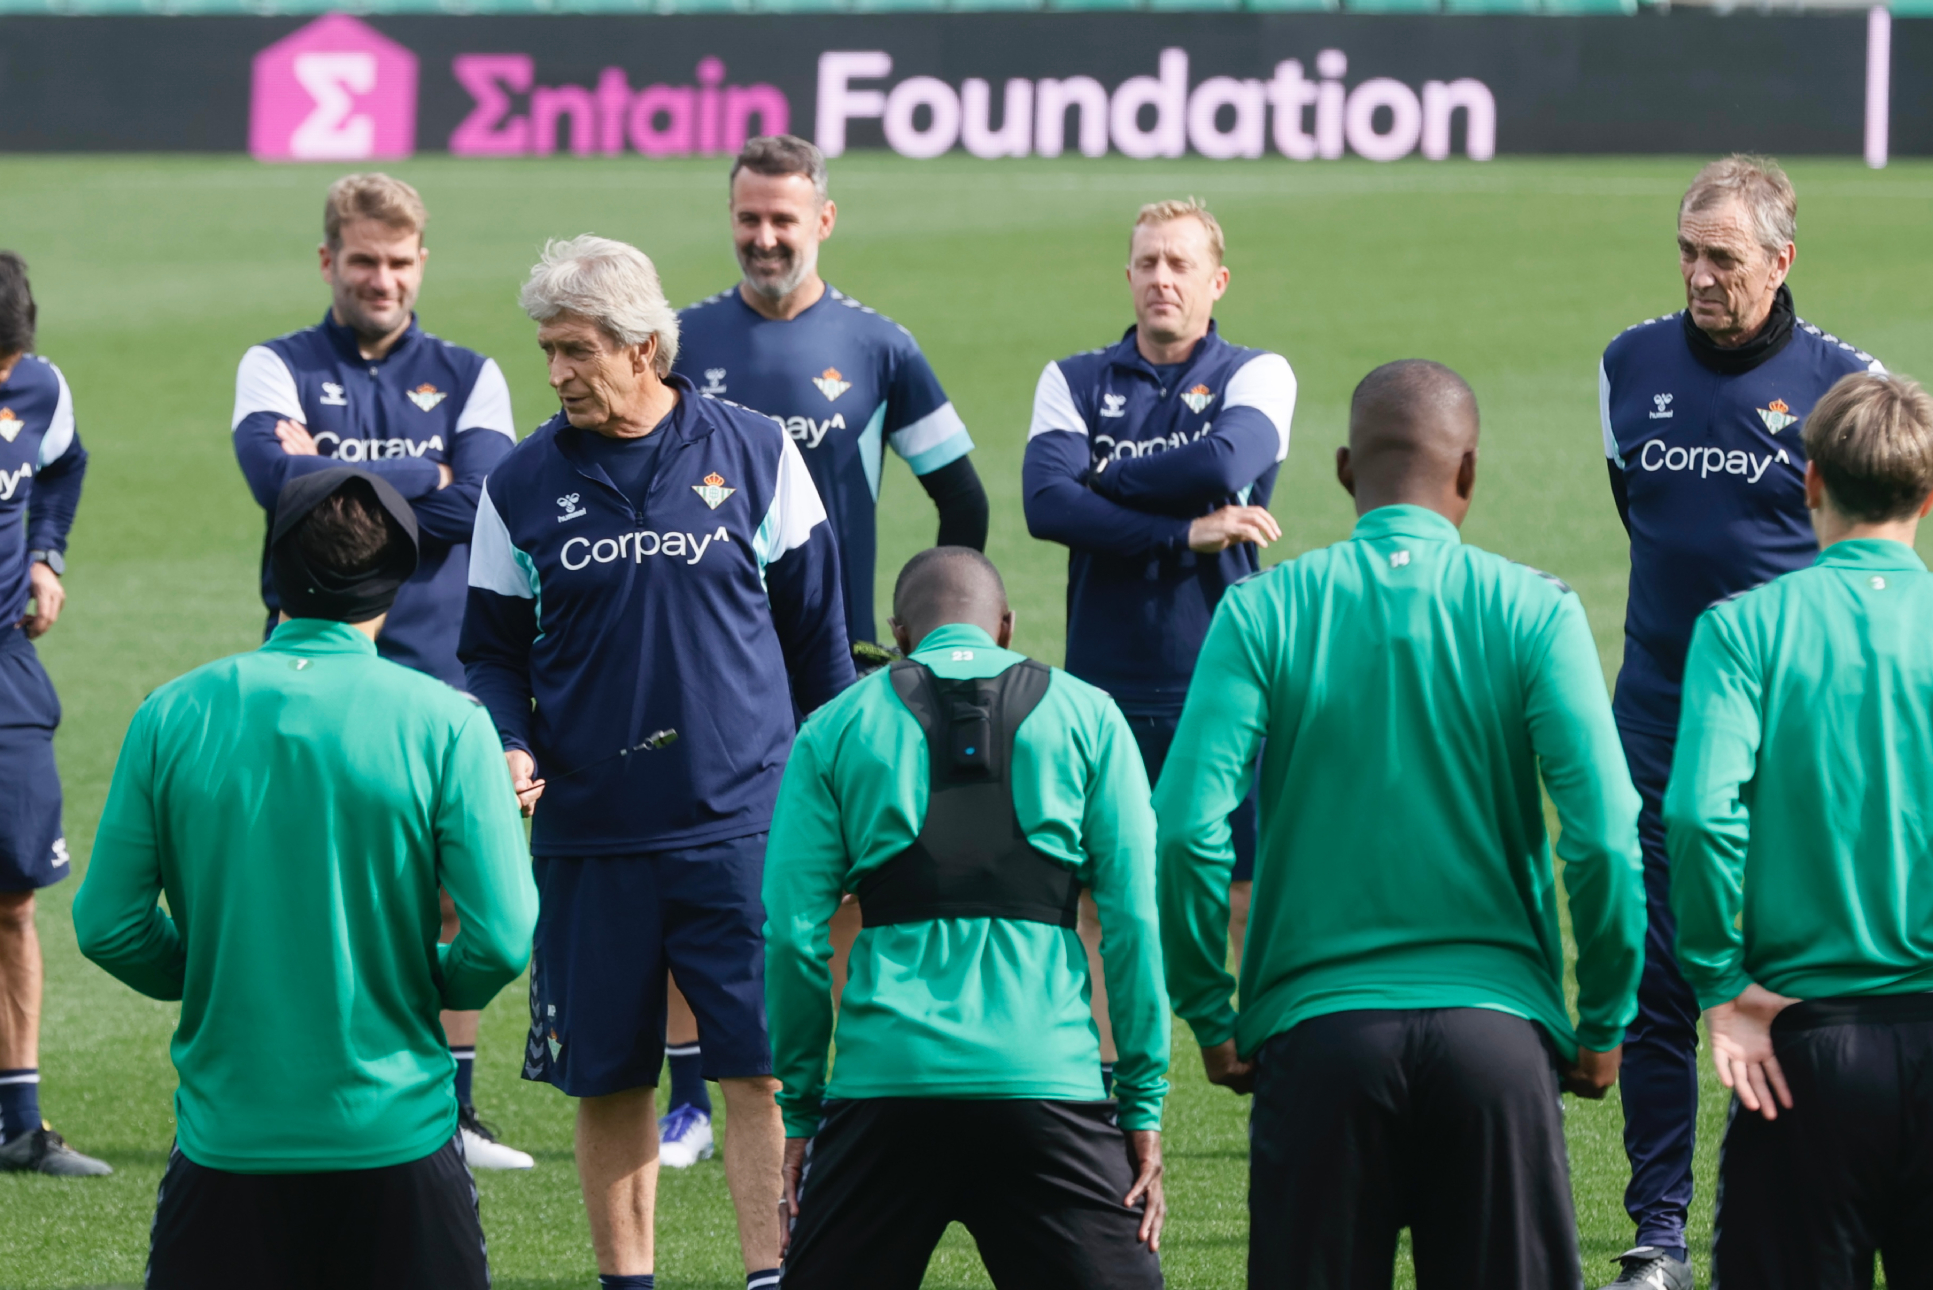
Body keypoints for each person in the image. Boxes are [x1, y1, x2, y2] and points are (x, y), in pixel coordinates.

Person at [1155, 360, 1646, 1290]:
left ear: (1345, 470)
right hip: (1498, 1043)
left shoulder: (1262, 609)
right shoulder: (1535, 610)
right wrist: (1604, 1019)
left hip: (1317, 1044)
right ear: (1470, 472)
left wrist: (1211, 1012)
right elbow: (1607, 834)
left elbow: (1183, 829)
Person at [460, 235, 853, 1290]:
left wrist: (842, 806)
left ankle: (772, 1276)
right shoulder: (519, 483)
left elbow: (819, 648)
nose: (556, 372)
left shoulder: (759, 452)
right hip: (592, 837)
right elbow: (491, 651)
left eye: (576, 350)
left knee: (760, 1072)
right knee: (610, 1079)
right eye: (547, 351)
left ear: (642, 347)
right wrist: (510, 738)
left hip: (745, 828)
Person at [73, 470, 536, 1289]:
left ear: (276, 568)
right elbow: (501, 938)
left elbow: (108, 924)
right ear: (397, 579)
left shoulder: (171, 714)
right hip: (398, 1137)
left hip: (226, 1145)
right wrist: (424, 979)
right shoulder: (449, 723)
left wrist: (215, 972)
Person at [664, 134, 990, 1166]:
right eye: (749, 218)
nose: (765, 237)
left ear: (824, 221)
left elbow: (962, 499)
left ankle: (836, 1085)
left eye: (784, 219)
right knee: (692, 869)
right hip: (707, 663)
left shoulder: (879, 347)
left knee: (844, 873)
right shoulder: (679, 341)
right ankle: (688, 1104)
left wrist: (935, 630)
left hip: (834, 662)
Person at [1596, 154, 1884, 1289]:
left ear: (1781, 260)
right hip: (1656, 727)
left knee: (1807, 989)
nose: (1699, 275)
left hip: (1795, 742)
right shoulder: (1627, 363)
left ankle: (1810, 1220)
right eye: (1687, 251)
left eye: (1723, 257)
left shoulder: (1847, 388)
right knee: (1660, 985)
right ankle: (1659, 1233)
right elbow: (1642, 514)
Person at [766, 547, 1167, 1289]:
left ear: (899, 635)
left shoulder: (832, 727)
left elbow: (792, 937)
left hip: (883, 1087)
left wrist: (801, 1111)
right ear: (1005, 626)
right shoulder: (1091, 716)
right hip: (1048, 1082)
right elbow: (1135, 922)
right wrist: (1141, 1105)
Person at [230, 173, 527, 1169]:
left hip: (438, 668)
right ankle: (309, 1086)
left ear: (422, 263)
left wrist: (333, 475)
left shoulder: (471, 373)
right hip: (306, 666)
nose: (383, 279)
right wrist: (424, 477)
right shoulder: (275, 364)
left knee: (449, 888)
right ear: (329, 260)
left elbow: (483, 502)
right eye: (364, 260)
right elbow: (275, 482)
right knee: (303, 879)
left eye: (400, 262)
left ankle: (453, 1108)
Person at [1667, 372, 1933, 1289]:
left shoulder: (1744, 630)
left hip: (1802, 1053)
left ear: (1810, 480)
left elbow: (1699, 813)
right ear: (1928, 496)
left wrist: (1719, 984)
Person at [1022, 197, 1294, 1088]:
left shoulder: (1259, 374)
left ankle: (1269, 1073)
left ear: (1217, 281)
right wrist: (1183, 532)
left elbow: (1225, 462)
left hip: (1222, 680)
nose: (1161, 279)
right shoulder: (1072, 378)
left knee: (1244, 889)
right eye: (1147, 263)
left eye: (1180, 264)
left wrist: (1101, 474)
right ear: (1129, 276)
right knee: (1100, 898)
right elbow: (1045, 505)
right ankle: (1109, 1092)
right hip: (1102, 686)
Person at [0, 249, 105, 1177]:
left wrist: (47, 555)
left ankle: (21, 1128)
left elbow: (63, 466)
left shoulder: (40, 390)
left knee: (10, 899)